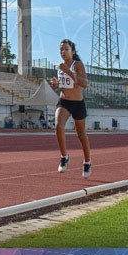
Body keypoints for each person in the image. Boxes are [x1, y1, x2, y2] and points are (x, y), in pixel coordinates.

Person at [49, 39, 92, 178]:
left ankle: (87, 161)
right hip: (64, 102)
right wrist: (56, 83)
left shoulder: (77, 64)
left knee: (81, 135)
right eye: (61, 49)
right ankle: (64, 156)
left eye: (66, 49)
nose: (63, 52)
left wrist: (67, 70)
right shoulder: (60, 66)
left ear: (72, 51)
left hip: (78, 103)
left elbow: (85, 84)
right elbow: (64, 84)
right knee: (58, 126)